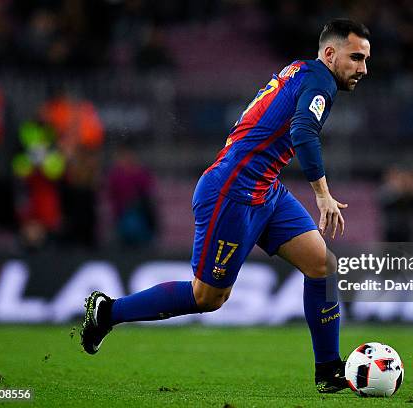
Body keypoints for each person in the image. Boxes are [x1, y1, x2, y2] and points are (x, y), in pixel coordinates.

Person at [81, 19, 370, 393]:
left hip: (265, 190)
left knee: (323, 266)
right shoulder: (321, 82)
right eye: (356, 58)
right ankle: (108, 312)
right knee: (208, 298)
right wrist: (322, 193)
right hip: (232, 193)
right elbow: (302, 131)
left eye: (365, 59)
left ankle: (328, 369)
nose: (363, 68)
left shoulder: (303, 71)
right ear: (330, 54)